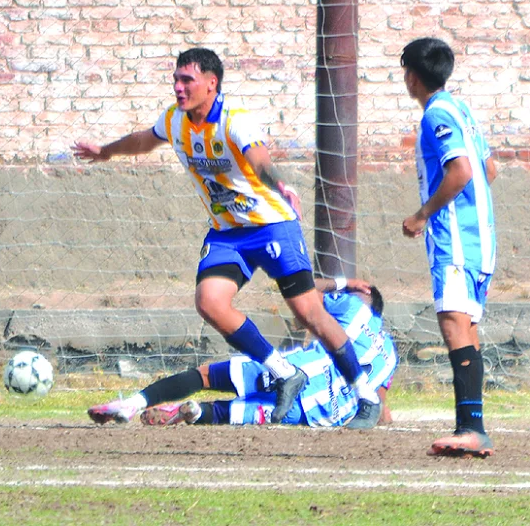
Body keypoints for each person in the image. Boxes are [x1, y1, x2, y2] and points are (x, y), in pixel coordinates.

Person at [73, 48, 382, 429]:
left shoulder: (234, 121)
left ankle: (366, 395)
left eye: (187, 80)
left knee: (309, 313)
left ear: (211, 84)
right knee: (209, 302)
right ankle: (283, 371)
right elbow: (142, 140)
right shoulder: (174, 121)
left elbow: (259, 159)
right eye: (176, 79)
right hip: (228, 233)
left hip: (272, 225)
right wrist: (106, 152)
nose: (179, 87)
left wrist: (280, 184)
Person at [88, 282, 397, 428]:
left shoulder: (353, 307)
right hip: (314, 415)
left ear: (364, 297)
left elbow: (307, 296)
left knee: (205, 376)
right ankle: (193, 412)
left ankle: (132, 404)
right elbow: (380, 407)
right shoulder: (391, 356)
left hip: (293, 373)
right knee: (230, 413)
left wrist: (341, 283)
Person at [400, 38, 498, 458]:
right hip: (482, 236)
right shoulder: (462, 110)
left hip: (455, 238)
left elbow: (459, 171)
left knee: (453, 322)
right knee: (467, 326)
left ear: (412, 76)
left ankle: (471, 428)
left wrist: (424, 213)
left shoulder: (435, 116)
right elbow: (488, 168)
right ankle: (471, 426)